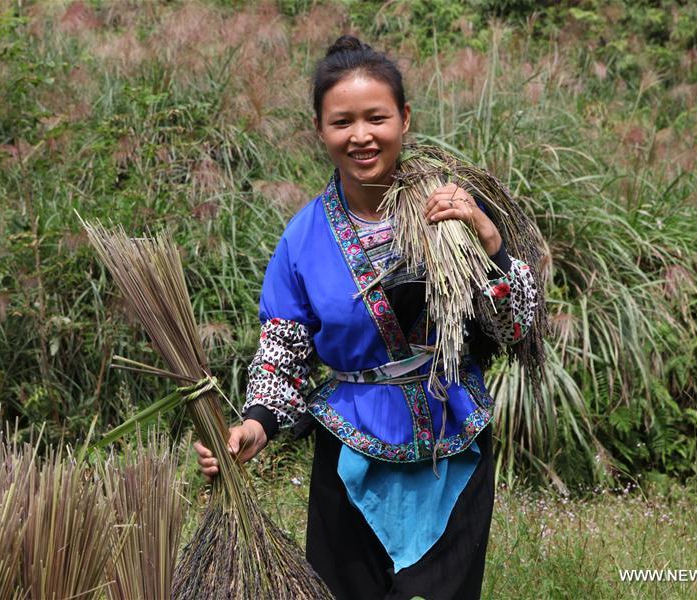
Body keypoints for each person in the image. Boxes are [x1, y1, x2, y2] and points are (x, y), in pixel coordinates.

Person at [194, 35, 538, 600]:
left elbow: (514, 329)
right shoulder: (303, 239)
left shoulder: (453, 214)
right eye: (342, 122)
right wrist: (255, 424)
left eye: (376, 118)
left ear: (404, 118)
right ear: (319, 130)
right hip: (348, 454)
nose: (361, 136)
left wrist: (492, 244)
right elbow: (283, 356)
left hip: (453, 446)